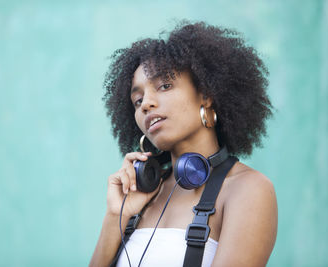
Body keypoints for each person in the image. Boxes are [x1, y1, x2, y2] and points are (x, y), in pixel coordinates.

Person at [90, 21, 277, 267]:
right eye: (137, 100)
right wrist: (117, 215)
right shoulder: (141, 197)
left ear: (206, 95)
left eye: (164, 86)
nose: (146, 103)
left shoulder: (248, 190)